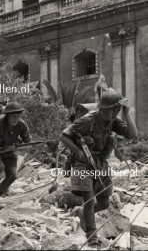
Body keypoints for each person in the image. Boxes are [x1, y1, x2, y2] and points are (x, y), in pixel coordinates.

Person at [60, 89, 138, 246]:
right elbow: (64, 136)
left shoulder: (113, 121)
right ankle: (92, 238)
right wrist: (78, 152)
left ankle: (82, 213)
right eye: (113, 109)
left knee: (104, 203)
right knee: (89, 199)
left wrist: (127, 113)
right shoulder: (87, 120)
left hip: (100, 163)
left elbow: (133, 135)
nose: (115, 112)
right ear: (103, 108)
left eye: (117, 109)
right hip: (82, 163)